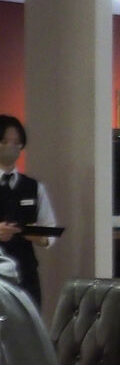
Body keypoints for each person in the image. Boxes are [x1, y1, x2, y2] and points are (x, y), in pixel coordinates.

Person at [0, 114, 58, 309]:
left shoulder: (33, 187)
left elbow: (49, 228)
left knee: (28, 324)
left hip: (25, 273)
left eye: (16, 143)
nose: (11, 147)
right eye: (5, 141)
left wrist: (40, 237)